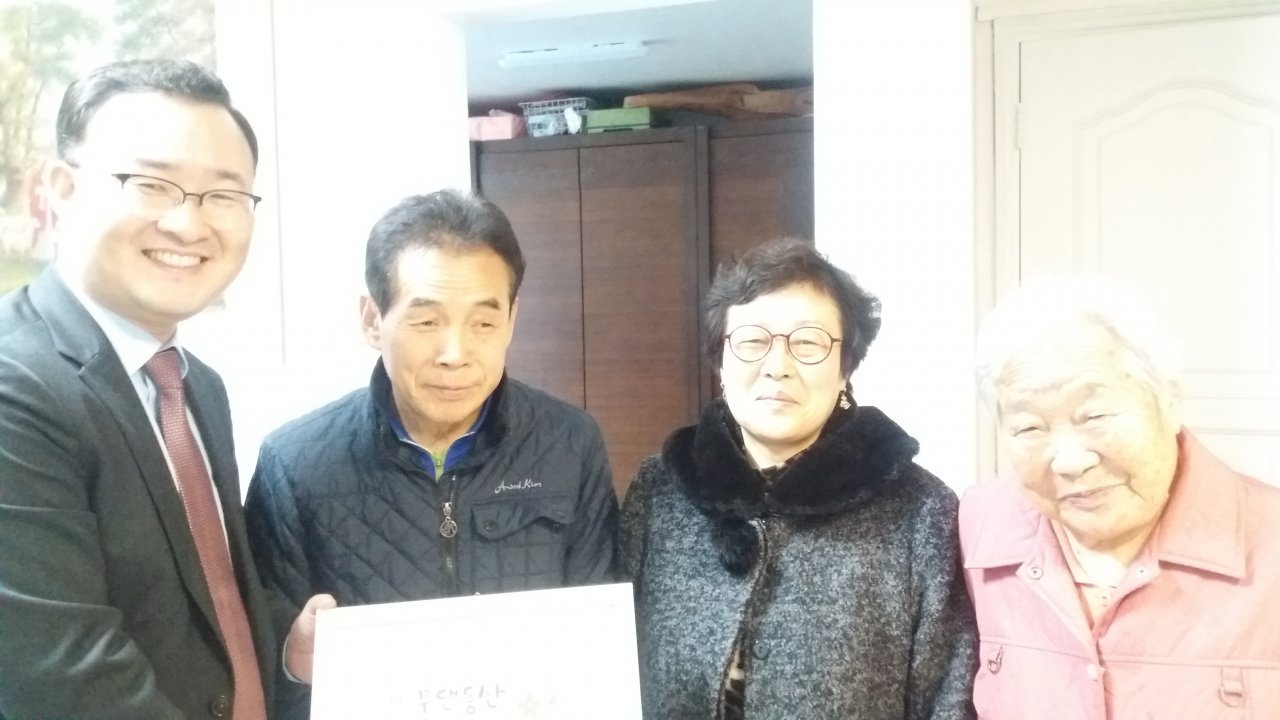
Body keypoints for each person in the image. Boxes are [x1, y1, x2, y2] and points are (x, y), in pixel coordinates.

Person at [0, 58, 321, 719]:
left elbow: (198, 603)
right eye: (150, 184)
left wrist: (286, 649)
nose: (188, 224)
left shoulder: (195, 384)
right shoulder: (16, 384)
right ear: (59, 190)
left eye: (223, 195)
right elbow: (64, 679)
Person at [245, 189, 620, 717]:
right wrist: (291, 658)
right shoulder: (294, 463)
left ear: (511, 321)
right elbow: (258, 671)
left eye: (483, 323)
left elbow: (598, 644)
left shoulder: (569, 443)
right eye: (426, 322)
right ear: (372, 319)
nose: (455, 354)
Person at [619, 238, 977, 719]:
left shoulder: (921, 512)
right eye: (752, 341)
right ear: (721, 362)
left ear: (845, 368)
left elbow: (947, 701)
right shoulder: (661, 491)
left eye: (807, 343)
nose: (777, 368)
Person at [961, 277, 1280, 718]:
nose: (1070, 461)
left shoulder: (1269, 543)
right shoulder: (976, 527)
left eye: (1094, 415)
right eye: (1029, 427)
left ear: (1169, 400)